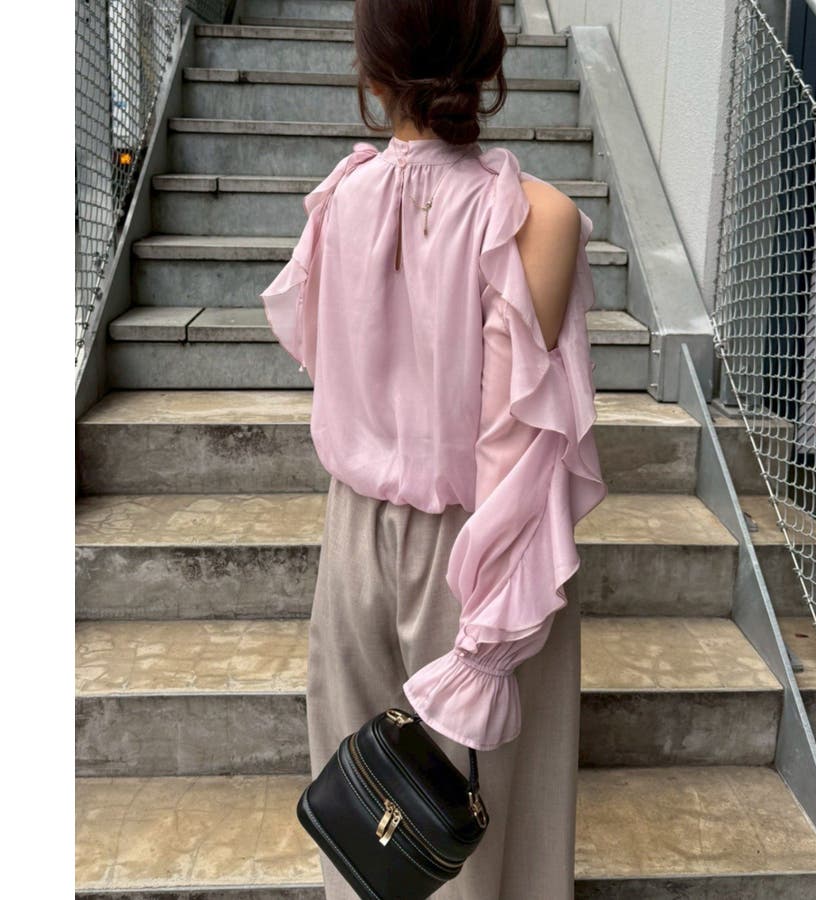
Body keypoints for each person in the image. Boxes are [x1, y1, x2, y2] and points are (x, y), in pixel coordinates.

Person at [259, 1, 608, 897]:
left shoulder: (339, 202)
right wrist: (489, 640)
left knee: (372, 839)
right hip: (480, 553)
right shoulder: (536, 218)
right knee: (481, 837)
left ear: (371, 70)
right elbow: (517, 454)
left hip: (354, 542)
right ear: (490, 59)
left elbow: (329, 360)